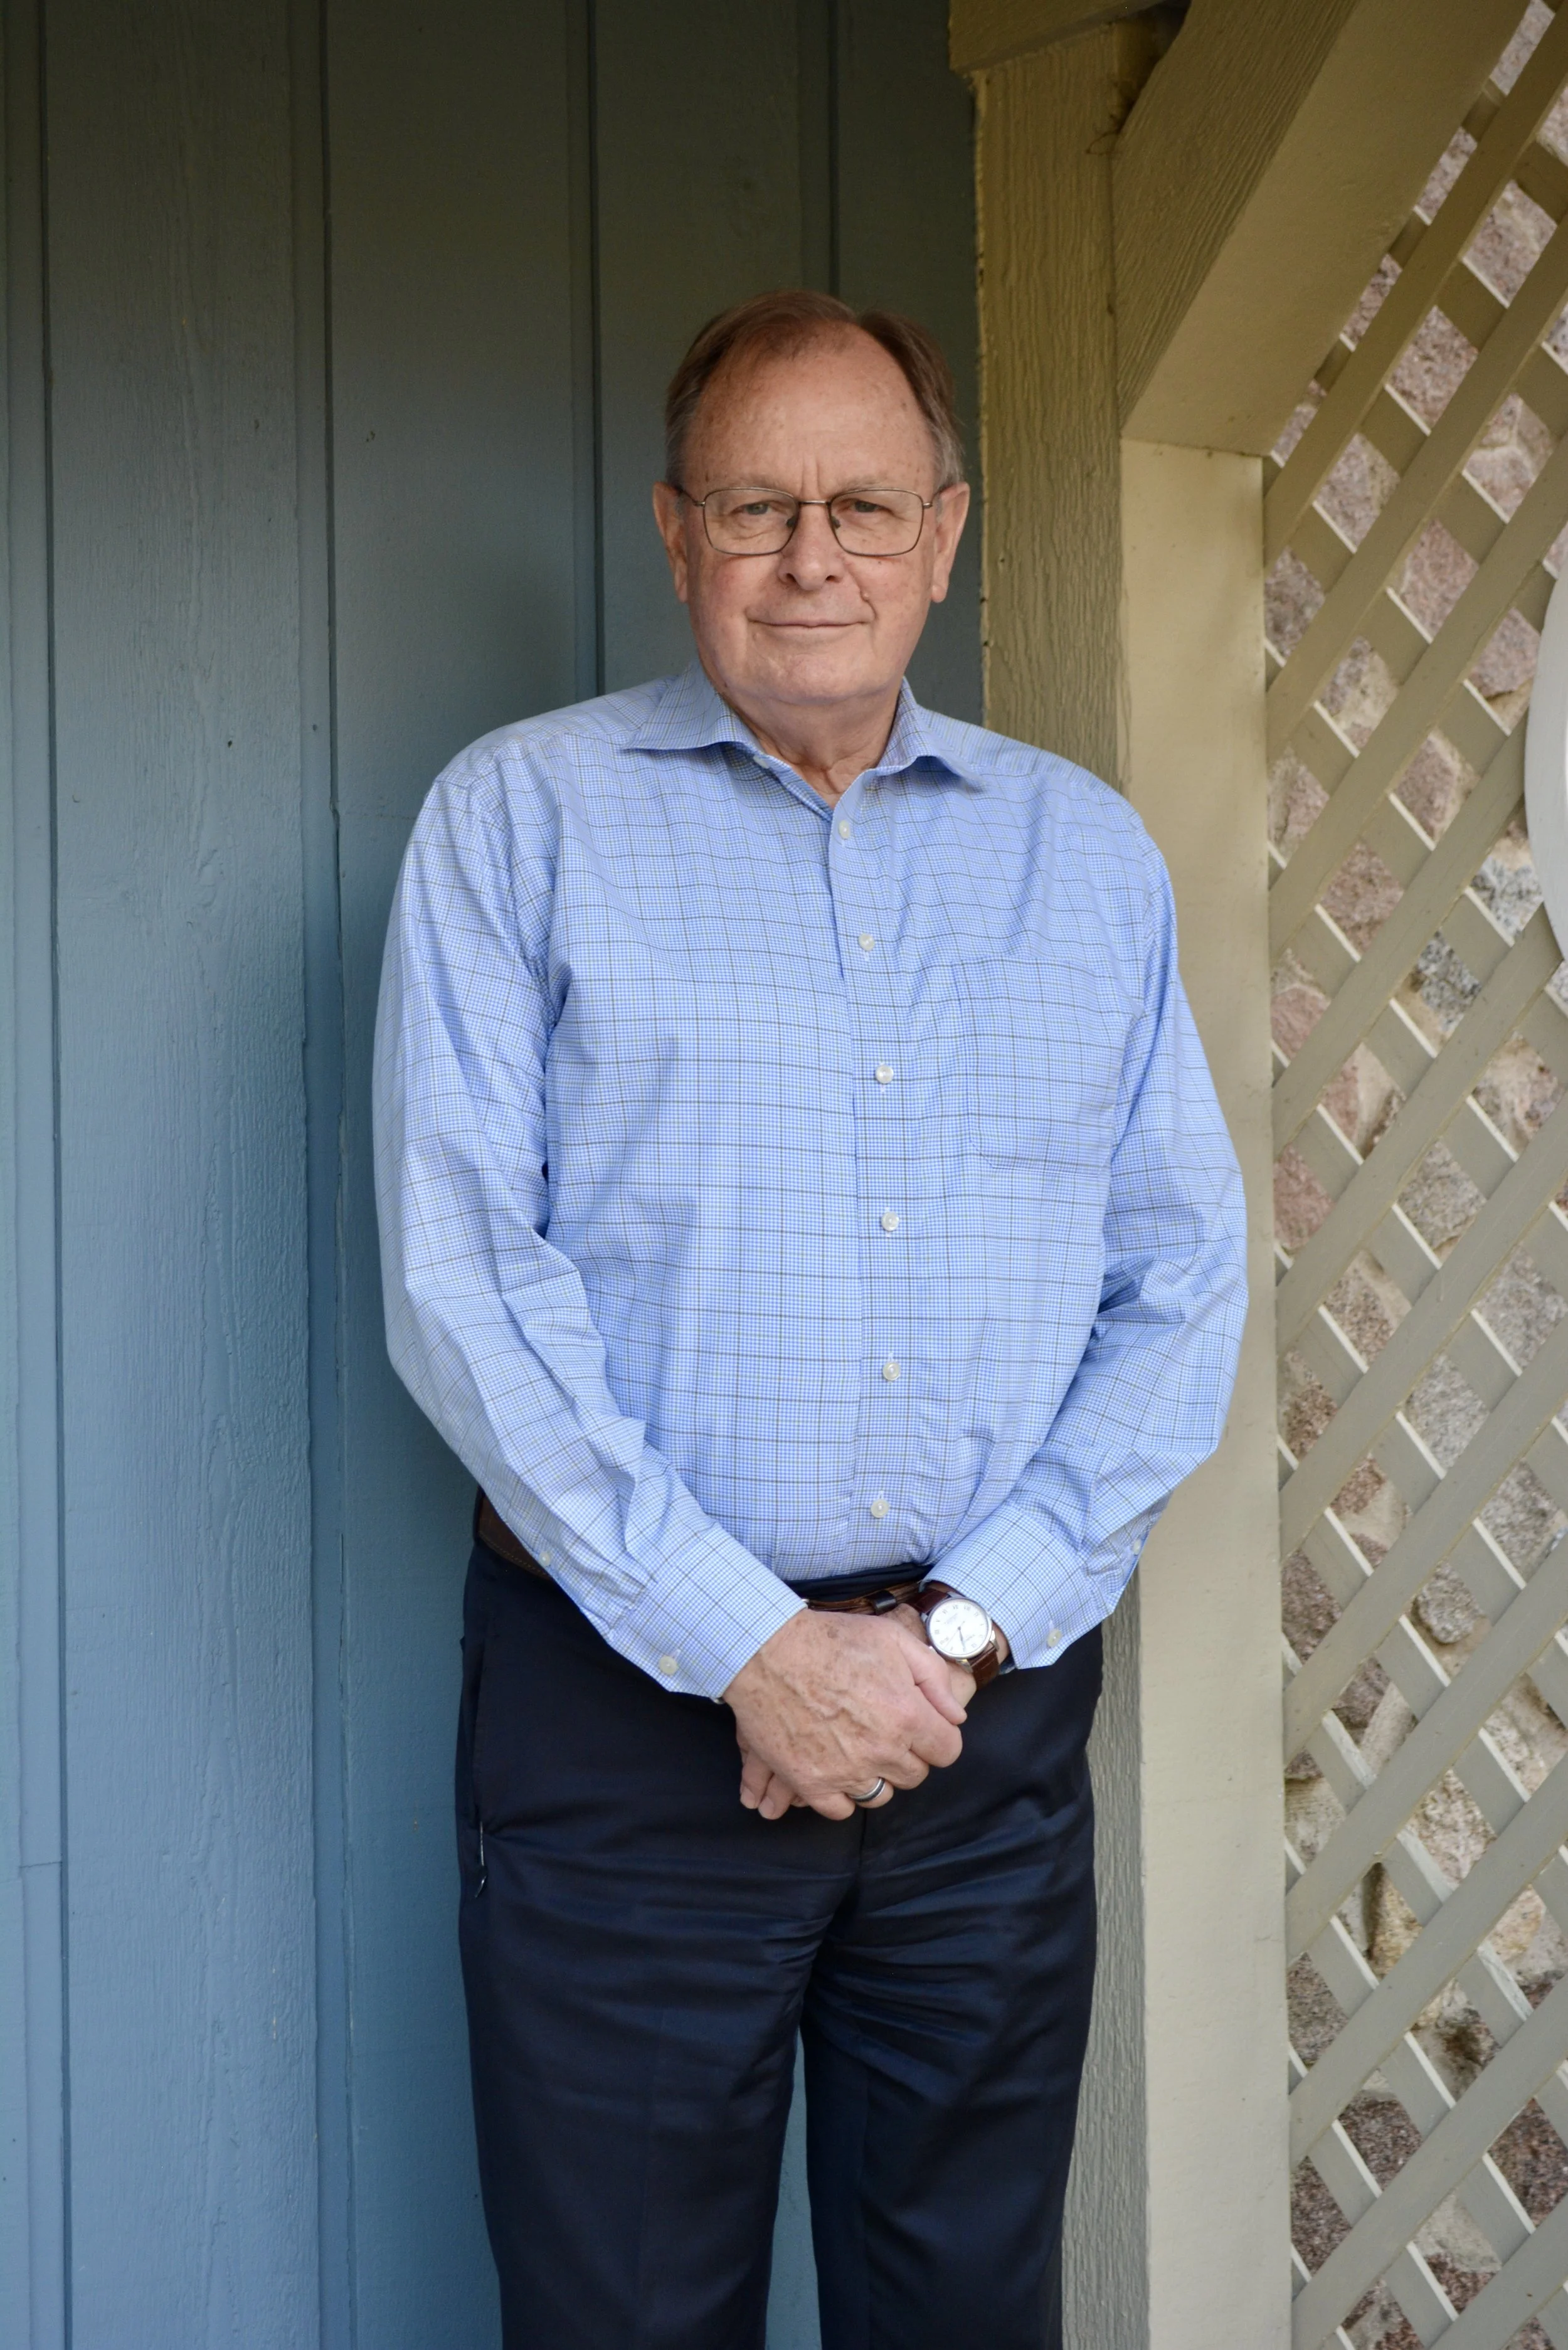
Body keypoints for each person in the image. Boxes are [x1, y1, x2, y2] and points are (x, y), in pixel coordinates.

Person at [373, 287, 1246, 2350]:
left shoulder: (1082, 855)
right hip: (629, 1731)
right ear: (674, 530)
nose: (810, 558)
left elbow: (1180, 1281)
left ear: (943, 534)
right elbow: (462, 1278)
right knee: (624, 2312)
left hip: (980, 1731)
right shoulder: (519, 821)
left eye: (862, 506)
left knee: (963, 2306)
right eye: (757, 506)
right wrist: (755, 1652)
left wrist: (947, 1642)